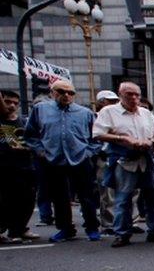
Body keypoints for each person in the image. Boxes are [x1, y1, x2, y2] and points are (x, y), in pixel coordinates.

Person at [93, 82, 154, 247]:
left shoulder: (145, 113)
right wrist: (122, 139)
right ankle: (122, 233)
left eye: (136, 94)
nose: (134, 98)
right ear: (120, 95)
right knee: (123, 199)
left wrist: (150, 141)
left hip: (147, 159)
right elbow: (97, 134)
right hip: (124, 160)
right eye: (129, 94)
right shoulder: (109, 112)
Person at [23, 80, 101, 243]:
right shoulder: (40, 110)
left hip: (80, 159)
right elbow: (30, 135)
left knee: (87, 196)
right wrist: (41, 151)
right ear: (53, 92)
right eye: (61, 91)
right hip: (52, 159)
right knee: (59, 196)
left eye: (70, 92)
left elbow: (97, 138)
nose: (66, 95)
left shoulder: (85, 113)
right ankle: (65, 228)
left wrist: (88, 153)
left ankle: (92, 228)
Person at [0, 90, 37, 243]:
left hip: (25, 167)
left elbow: (33, 142)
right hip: (4, 168)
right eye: (7, 102)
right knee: (5, 200)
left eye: (15, 103)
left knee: (26, 200)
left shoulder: (24, 121)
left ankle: (19, 229)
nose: (12, 106)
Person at [93, 90, 120, 234]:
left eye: (115, 101)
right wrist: (98, 151)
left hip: (120, 157)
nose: (113, 104)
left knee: (128, 191)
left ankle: (128, 221)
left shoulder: (118, 117)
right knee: (107, 193)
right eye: (110, 101)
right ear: (101, 102)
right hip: (103, 157)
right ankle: (109, 223)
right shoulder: (94, 118)